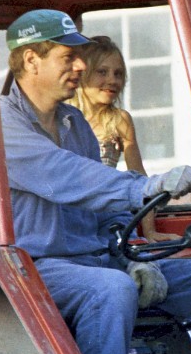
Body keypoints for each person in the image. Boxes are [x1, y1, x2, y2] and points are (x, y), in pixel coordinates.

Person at [0, 9, 191, 354]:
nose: (80, 67)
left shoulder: (74, 121)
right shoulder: (1, 124)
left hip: (96, 258)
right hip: (34, 267)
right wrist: (148, 185)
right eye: (69, 57)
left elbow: (105, 210)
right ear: (30, 60)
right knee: (110, 290)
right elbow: (67, 177)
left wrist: (130, 255)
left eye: (81, 57)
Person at [69, 35, 175, 242]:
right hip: (75, 213)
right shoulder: (64, 117)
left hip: (109, 210)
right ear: (82, 74)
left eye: (118, 74)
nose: (112, 80)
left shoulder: (119, 120)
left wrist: (150, 231)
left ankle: (141, 269)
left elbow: (139, 177)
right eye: (102, 72)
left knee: (123, 238)